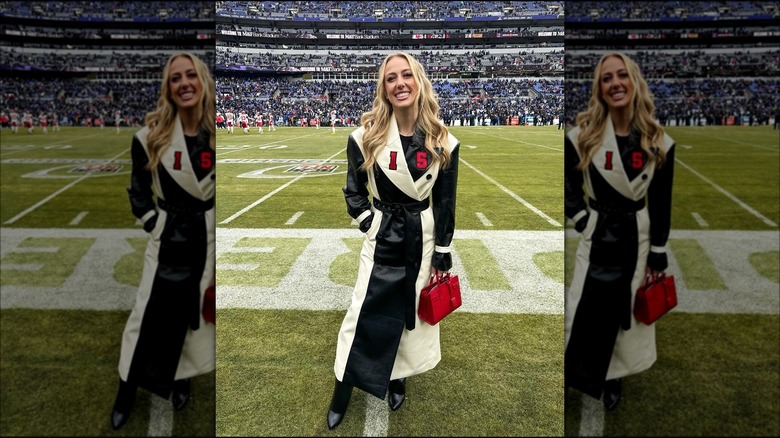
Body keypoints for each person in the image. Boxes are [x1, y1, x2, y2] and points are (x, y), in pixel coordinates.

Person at [327, 52, 460, 430]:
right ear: (383, 89)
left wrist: (444, 249)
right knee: (360, 313)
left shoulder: (443, 141)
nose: (399, 83)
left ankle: (397, 377)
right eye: (391, 78)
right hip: (383, 233)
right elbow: (354, 192)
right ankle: (342, 389)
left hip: (423, 236)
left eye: (406, 76)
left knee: (408, 313)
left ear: (418, 82)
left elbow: (446, 202)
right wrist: (369, 221)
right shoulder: (364, 136)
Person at [564, 52, 675, 411]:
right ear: (600, 88)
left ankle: (613, 375)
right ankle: (576, 368)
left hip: (636, 235)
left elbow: (661, 202)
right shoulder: (583, 136)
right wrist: (581, 218)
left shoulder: (659, 141)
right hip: (597, 233)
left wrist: (659, 248)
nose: (615, 83)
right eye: (606, 78)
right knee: (582, 304)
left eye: (621, 75)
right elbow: (568, 185)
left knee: (624, 308)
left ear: (634, 81)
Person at [111, 52, 216, 430]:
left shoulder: (216, 136)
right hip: (168, 236)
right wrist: (154, 221)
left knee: (193, 315)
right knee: (146, 315)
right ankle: (126, 390)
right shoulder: (149, 136)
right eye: (176, 78)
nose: (184, 83)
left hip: (205, 237)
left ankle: (181, 377)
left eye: (191, 75)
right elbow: (138, 192)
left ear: (202, 81)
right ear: (168, 88)